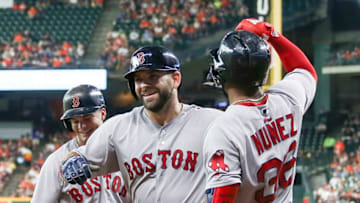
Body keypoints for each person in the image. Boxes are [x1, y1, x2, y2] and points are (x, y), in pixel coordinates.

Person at [59, 46, 223, 202]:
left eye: (153, 76)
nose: (144, 85)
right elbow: (79, 157)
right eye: (138, 79)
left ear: (175, 79)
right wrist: (71, 161)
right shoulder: (118, 128)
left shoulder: (210, 122)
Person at [203, 18, 318, 202]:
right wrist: (271, 34)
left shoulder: (225, 129)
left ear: (220, 73)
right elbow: (304, 70)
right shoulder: (287, 100)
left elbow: (222, 197)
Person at [31, 85, 129, 203]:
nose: (82, 126)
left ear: (103, 114)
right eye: (75, 121)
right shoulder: (56, 161)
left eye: (87, 119)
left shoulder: (124, 153)